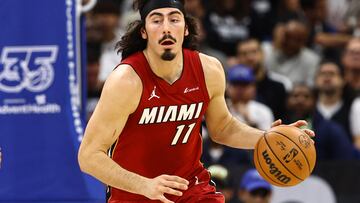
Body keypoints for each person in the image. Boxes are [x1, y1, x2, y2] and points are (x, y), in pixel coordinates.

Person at [78, 1, 314, 203]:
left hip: (190, 188)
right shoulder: (127, 81)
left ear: (186, 28)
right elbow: (88, 156)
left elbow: (222, 128)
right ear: (144, 32)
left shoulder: (208, 70)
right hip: (136, 193)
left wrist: (267, 138)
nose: (166, 28)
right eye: (156, 20)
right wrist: (145, 185)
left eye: (174, 19)